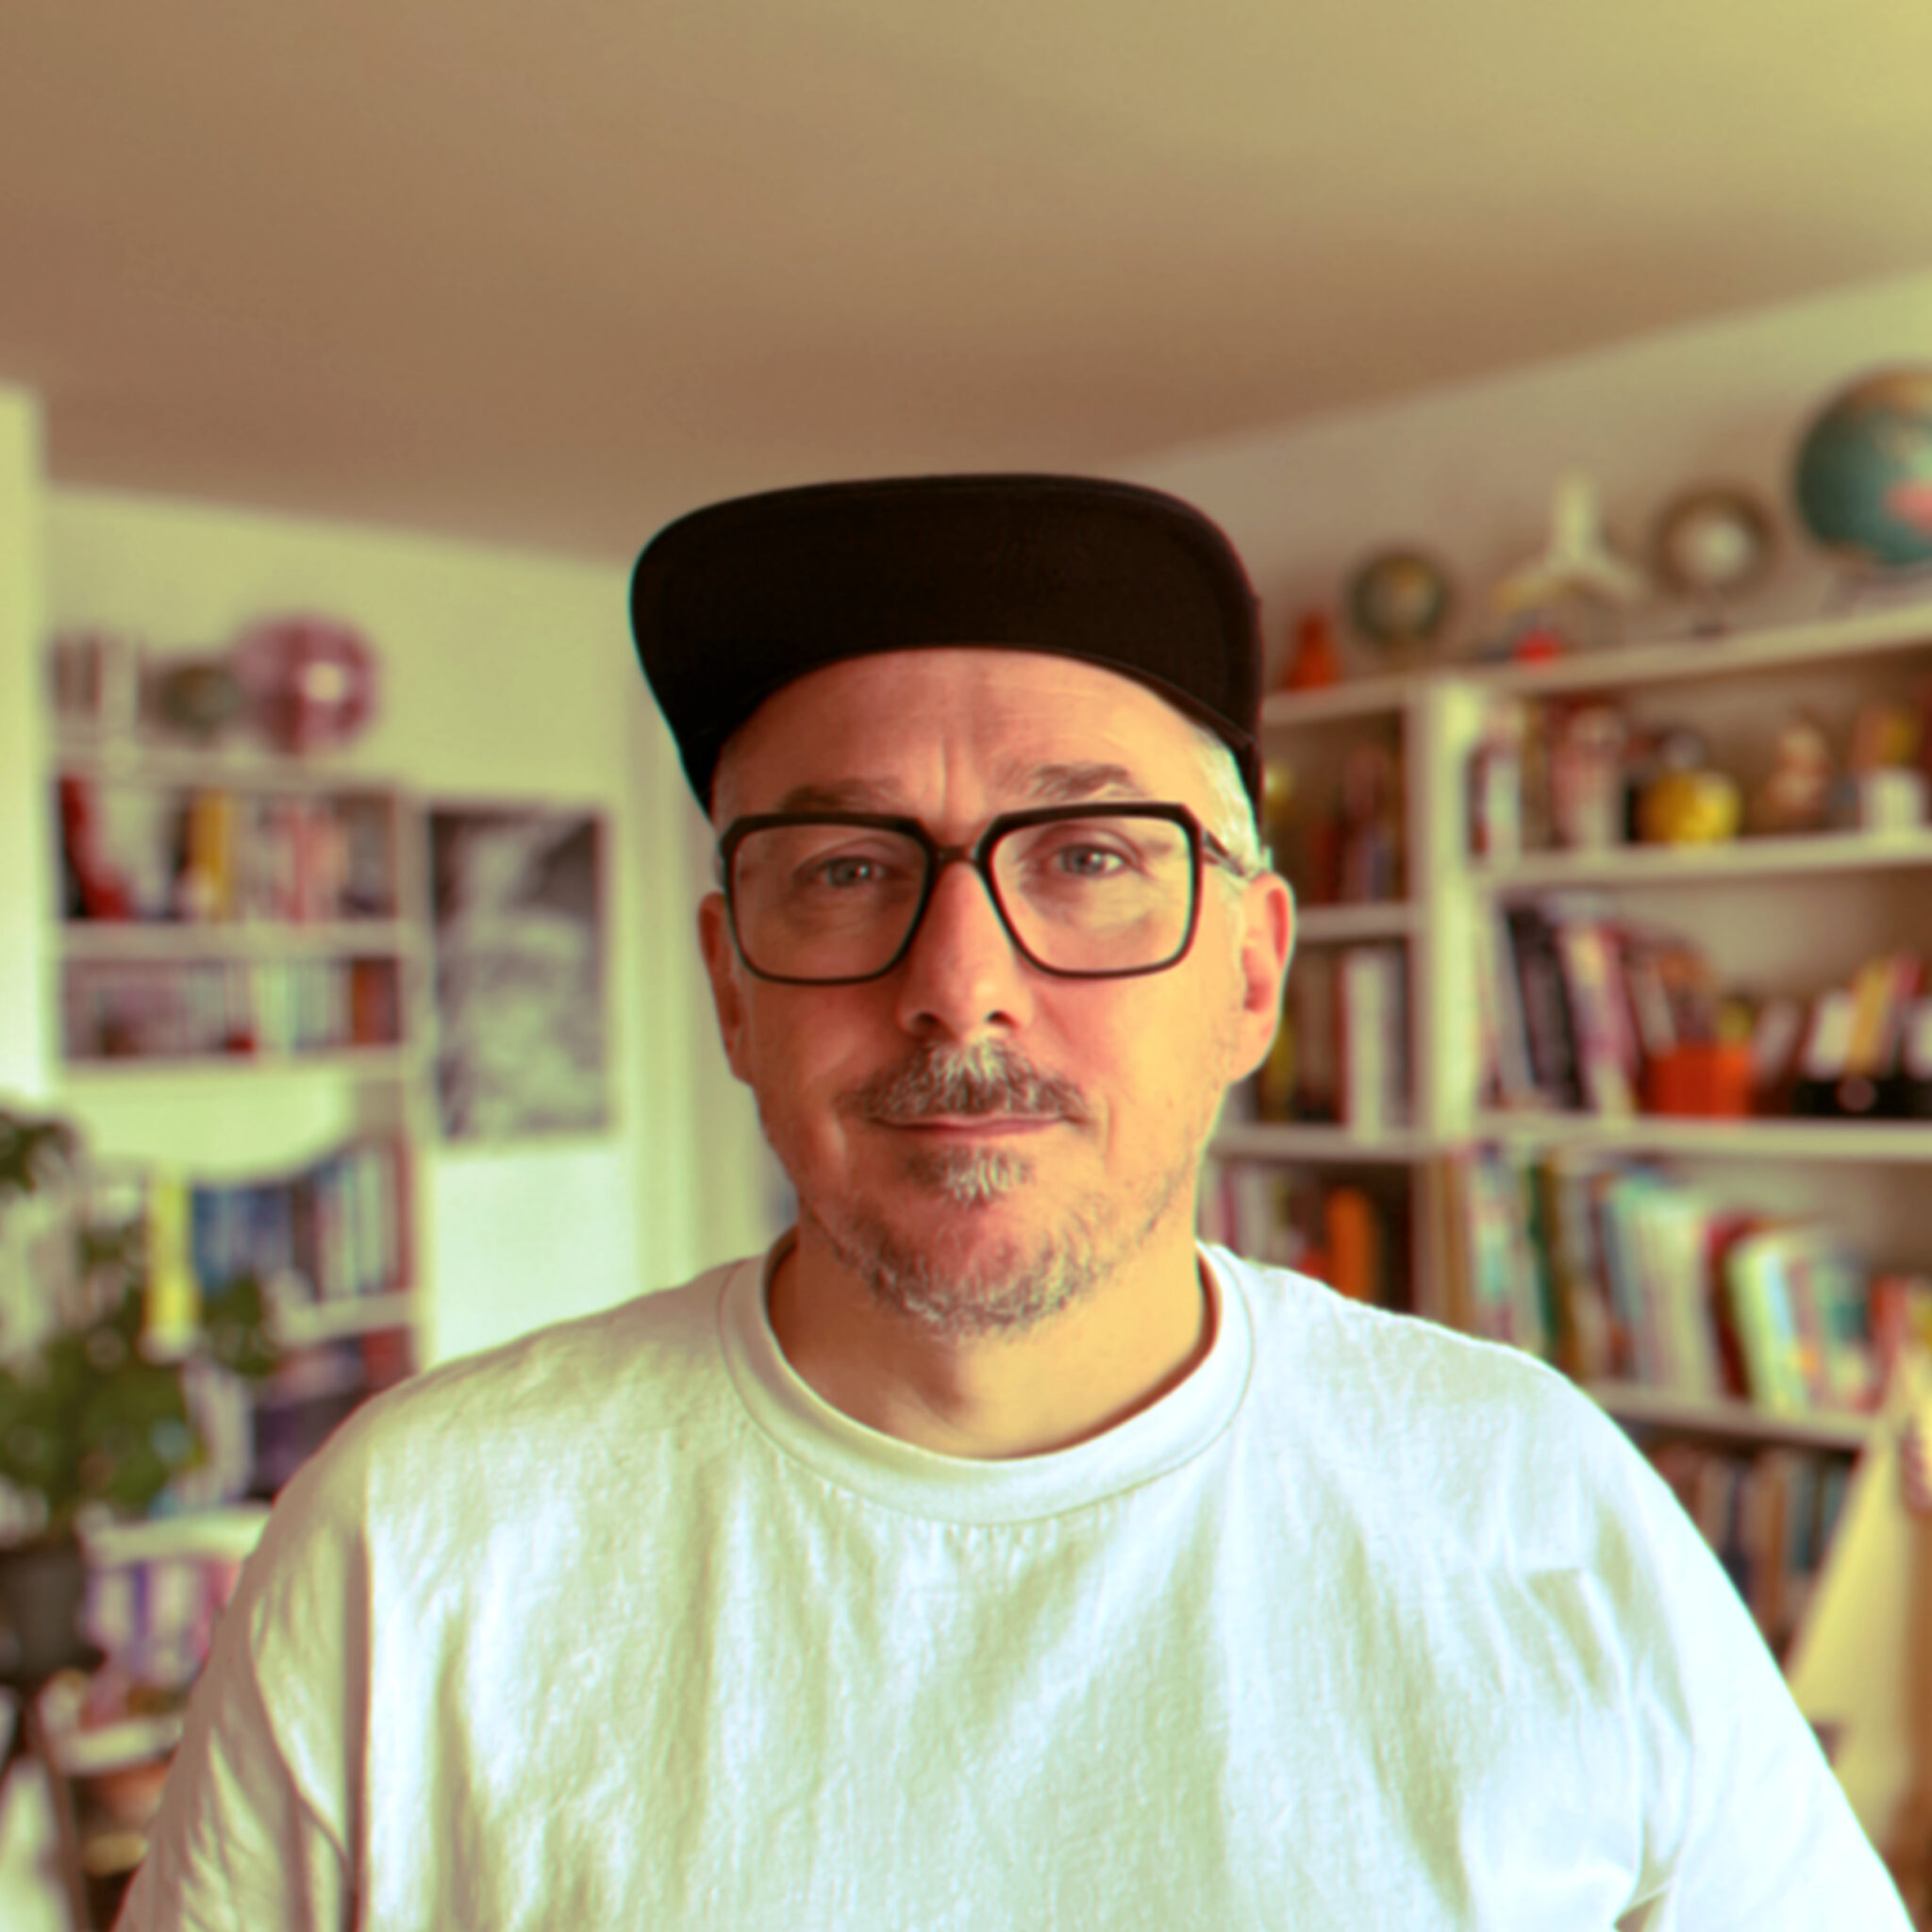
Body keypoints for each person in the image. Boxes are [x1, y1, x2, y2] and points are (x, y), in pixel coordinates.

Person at [119, 475, 1906, 1929]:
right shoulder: (416, 1545)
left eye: (1088, 856)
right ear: (732, 988)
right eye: (845, 869)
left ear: (1252, 972)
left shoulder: (1534, 1499)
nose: (961, 986)